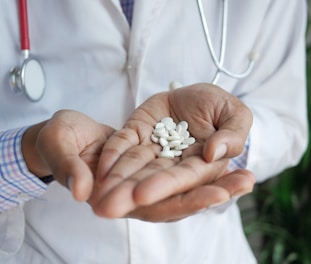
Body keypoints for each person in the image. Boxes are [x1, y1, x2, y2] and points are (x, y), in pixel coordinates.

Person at [0, 1, 308, 263]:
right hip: (43, 249)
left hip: (208, 251)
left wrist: (221, 145)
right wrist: (28, 152)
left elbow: (286, 120)